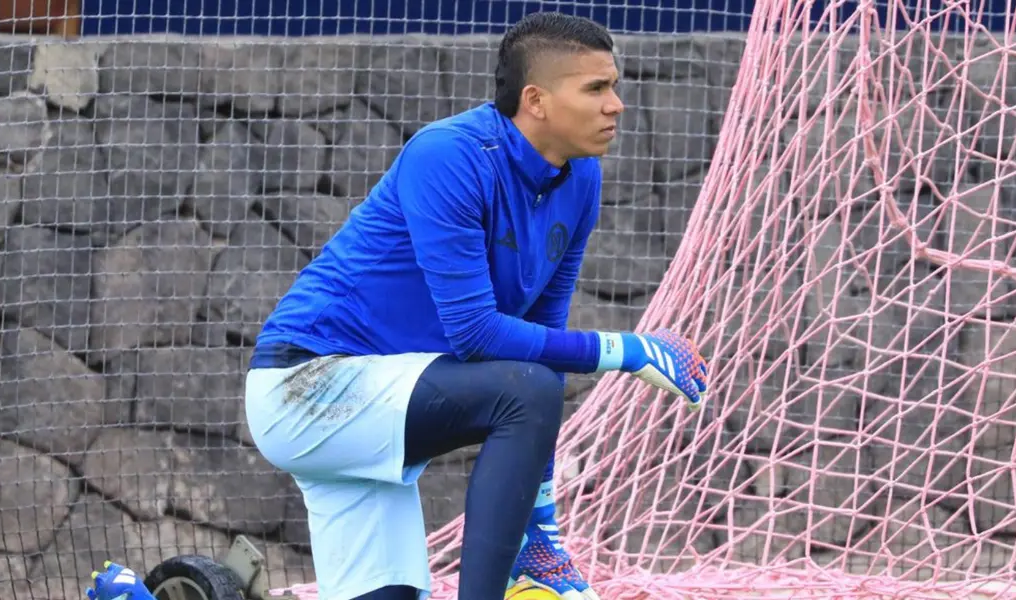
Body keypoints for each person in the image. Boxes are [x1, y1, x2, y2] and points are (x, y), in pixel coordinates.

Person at [244, 11, 709, 600]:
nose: (615, 103)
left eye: (613, 86)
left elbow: (540, 350)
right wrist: (626, 349)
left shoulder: (581, 178)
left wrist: (540, 527)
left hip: (373, 410)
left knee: (532, 384)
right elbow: (477, 336)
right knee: (526, 389)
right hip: (305, 386)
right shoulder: (448, 155)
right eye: (595, 88)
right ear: (537, 100)